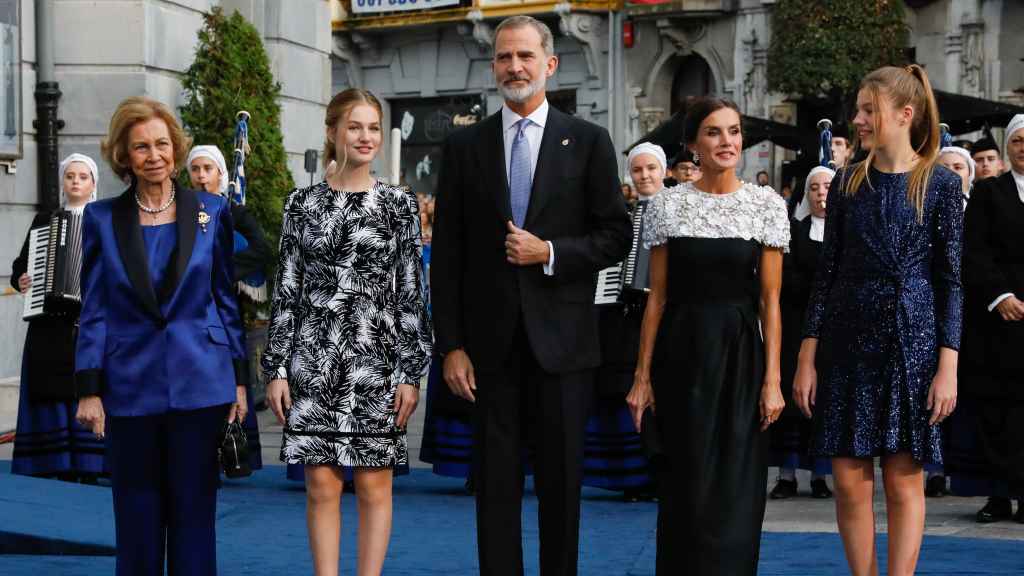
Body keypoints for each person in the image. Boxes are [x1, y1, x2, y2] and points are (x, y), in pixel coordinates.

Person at [431, 15, 631, 576]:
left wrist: (550, 253)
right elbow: (447, 256)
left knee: (561, 489)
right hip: (488, 353)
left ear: (550, 64)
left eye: (524, 56)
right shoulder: (465, 146)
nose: (513, 67)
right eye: (503, 57)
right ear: (493, 66)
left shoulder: (588, 141)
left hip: (564, 349)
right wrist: (451, 345)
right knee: (493, 490)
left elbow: (616, 235)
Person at [793, 65, 962, 576]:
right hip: (846, 340)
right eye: (859, 110)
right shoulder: (846, 182)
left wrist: (947, 366)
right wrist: (806, 357)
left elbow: (951, 280)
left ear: (905, 115)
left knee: (903, 479)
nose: (858, 120)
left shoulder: (940, 185)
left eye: (869, 110)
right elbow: (826, 275)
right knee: (847, 478)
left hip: (912, 340)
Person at [74, 96, 248, 575]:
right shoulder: (102, 219)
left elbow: (225, 301)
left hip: (200, 383)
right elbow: (94, 308)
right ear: (125, 157)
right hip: (129, 388)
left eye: (162, 144)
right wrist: (89, 388)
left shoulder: (211, 210)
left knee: (195, 520)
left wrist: (238, 381)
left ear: (176, 147)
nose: (154, 155)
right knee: (137, 519)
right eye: (141, 147)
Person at [262, 88, 431, 576]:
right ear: (332, 132)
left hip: (377, 363)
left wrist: (410, 371)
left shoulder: (399, 205)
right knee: (322, 486)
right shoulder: (302, 204)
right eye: (354, 127)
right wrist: (275, 366)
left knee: (376, 485)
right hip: (313, 360)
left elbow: (409, 294)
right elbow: (287, 289)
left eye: (373, 128)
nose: (365, 137)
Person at [627, 97, 788, 575]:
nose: (727, 142)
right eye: (714, 132)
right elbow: (656, 298)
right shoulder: (668, 207)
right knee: (685, 486)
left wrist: (773, 379)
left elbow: (770, 302)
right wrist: (642, 376)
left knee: (736, 489)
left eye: (734, 132)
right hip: (682, 356)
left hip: (742, 356)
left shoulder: (765, 205)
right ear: (694, 144)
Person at [947, 114, 1024, 523]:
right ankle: (998, 495)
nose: (1023, 147)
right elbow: (974, 251)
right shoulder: (989, 192)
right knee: (996, 411)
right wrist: (1001, 295)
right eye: (1017, 141)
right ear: (1008, 148)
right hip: (999, 319)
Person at [10, 153, 105, 482]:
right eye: (70, 176)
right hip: (49, 322)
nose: (76, 181)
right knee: (49, 385)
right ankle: (53, 460)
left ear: (93, 184)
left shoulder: (102, 220)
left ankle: (91, 465)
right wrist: (21, 278)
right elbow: (20, 265)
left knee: (86, 384)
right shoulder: (44, 221)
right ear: (63, 182)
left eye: (83, 176)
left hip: (86, 320)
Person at [585, 142, 667, 501]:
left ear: (662, 171)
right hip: (627, 315)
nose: (645, 175)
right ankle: (631, 474)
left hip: (666, 314)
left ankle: (661, 471)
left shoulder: (678, 209)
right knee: (620, 388)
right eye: (638, 170)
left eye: (651, 168)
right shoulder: (625, 214)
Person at [188, 144, 273, 471]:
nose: (201, 176)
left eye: (207, 169)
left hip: (223, 309)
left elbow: (262, 250)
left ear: (221, 174)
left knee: (229, 376)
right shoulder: (181, 210)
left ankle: (235, 448)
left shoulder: (236, 214)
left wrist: (223, 271)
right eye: (195, 170)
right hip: (190, 312)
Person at [769, 165, 835, 500]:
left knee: (824, 402)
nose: (821, 193)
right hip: (798, 326)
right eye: (814, 188)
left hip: (835, 330)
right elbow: (788, 280)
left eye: (827, 186)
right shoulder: (795, 231)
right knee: (794, 402)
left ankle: (821, 476)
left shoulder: (849, 231)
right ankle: (786, 474)